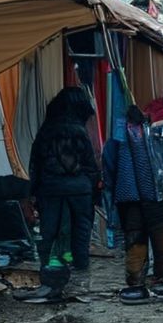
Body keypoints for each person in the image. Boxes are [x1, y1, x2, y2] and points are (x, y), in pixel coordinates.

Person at [28, 86, 101, 297]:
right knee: (80, 233)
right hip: (80, 191)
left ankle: (52, 281)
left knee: (50, 235)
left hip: (51, 190)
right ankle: (78, 281)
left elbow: (36, 164)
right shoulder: (80, 131)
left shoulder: (47, 130)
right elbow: (90, 165)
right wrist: (92, 191)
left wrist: (33, 193)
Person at [104, 105, 163, 304]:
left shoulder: (117, 136)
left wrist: (111, 190)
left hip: (128, 197)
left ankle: (135, 281)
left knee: (135, 239)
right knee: (160, 238)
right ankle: (158, 279)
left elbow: (109, 163)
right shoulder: (152, 133)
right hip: (153, 195)